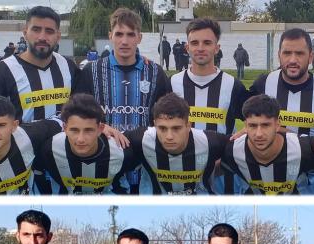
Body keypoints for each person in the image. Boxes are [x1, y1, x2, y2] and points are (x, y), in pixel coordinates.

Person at [74, 8, 171, 194]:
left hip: (145, 161)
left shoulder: (156, 72)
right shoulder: (91, 71)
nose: (124, 41)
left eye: (130, 34)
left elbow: (167, 115)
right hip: (105, 156)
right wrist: (102, 126)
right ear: (110, 36)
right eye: (119, 34)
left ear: (139, 38)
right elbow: (77, 113)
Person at [0, 6, 78, 138]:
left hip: (61, 154)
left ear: (58, 36)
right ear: (25, 33)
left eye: (49, 31)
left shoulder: (68, 67)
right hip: (22, 155)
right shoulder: (5, 69)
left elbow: (83, 110)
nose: (42, 37)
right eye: (36, 29)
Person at [216, 94, 314, 195]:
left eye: (266, 125)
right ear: (245, 126)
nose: (259, 134)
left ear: (277, 125)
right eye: (252, 126)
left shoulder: (303, 148)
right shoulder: (231, 150)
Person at [121, 93, 230, 195]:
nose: (169, 136)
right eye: (162, 128)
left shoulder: (209, 141)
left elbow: (240, 145)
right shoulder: (142, 138)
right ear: (154, 124)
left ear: (188, 125)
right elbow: (107, 142)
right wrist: (104, 129)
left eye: (176, 128)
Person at [247, 28, 314, 139]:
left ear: (311, 57)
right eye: (287, 53)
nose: (292, 60)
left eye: (299, 53)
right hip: (270, 156)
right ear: (279, 55)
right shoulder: (263, 84)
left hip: (311, 156)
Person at [170, 18, 249, 135]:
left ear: (217, 48)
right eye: (194, 43)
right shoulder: (172, 83)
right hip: (182, 154)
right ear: (187, 48)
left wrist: (241, 136)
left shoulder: (233, 85)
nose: (200, 48)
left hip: (221, 153)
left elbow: (255, 120)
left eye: (207, 43)